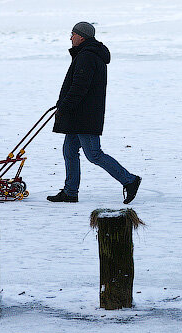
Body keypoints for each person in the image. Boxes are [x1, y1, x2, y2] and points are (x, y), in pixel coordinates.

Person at [48, 21, 141, 203]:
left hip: (84, 115)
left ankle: (129, 180)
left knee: (94, 154)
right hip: (80, 114)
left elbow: (79, 87)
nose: (70, 37)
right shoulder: (86, 54)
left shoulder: (87, 56)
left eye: (73, 34)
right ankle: (70, 192)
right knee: (69, 150)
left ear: (81, 37)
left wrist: (64, 106)